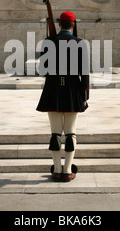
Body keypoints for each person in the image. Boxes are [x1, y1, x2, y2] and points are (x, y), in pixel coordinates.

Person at [36, 11, 90, 182]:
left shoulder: (48, 42)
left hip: (53, 90)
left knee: (55, 133)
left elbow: (43, 69)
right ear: (73, 25)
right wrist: (85, 95)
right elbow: (85, 74)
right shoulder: (80, 43)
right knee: (71, 133)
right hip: (73, 90)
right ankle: (67, 170)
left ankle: (57, 169)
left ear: (59, 24)